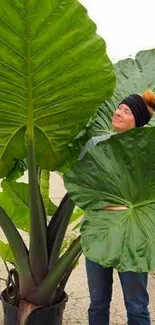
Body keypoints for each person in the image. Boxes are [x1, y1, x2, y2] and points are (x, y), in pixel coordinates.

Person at [81, 89, 155, 325]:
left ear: (139, 122)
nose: (119, 113)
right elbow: (82, 184)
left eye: (127, 111)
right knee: (98, 303)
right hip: (99, 233)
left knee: (136, 307)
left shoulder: (146, 152)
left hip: (132, 236)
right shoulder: (96, 144)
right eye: (120, 107)